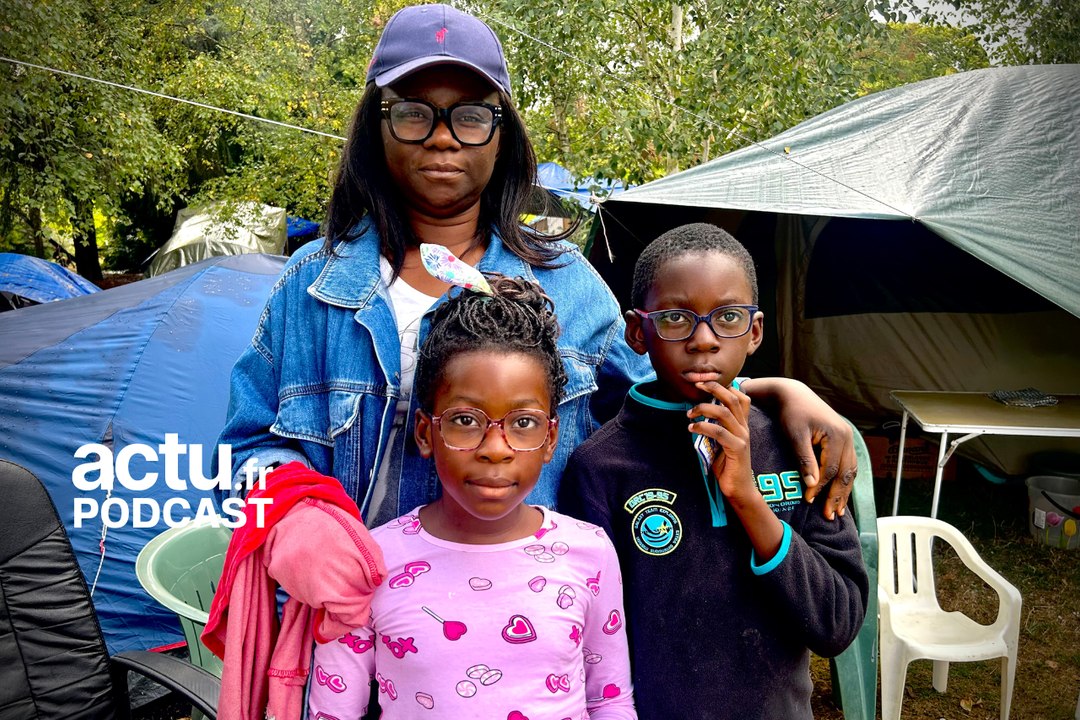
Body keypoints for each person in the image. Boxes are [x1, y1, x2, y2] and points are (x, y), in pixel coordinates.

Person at [216, 3, 858, 530]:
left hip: (517, 642)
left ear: (502, 136)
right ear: (376, 128)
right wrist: (293, 517)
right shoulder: (310, 288)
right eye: (413, 112)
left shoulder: (567, 286)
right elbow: (241, 456)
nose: (442, 136)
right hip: (341, 639)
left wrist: (779, 392)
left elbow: (661, 401)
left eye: (470, 115)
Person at [559, 223, 869, 719]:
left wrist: (748, 499)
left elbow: (837, 622)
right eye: (677, 318)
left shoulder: (799, 449)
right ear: (639, 332)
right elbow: (584, 639)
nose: (703, 340)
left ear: (755, 332)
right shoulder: (600, 468)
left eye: (727, 317)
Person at [307, 274, 636, 719]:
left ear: (551, 438)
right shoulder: (371, 562)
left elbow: (609, 699)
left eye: (523, 423)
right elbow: (334, 712)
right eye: (465, 420)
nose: (495, 449)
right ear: (426, 432)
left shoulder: (589, 552)